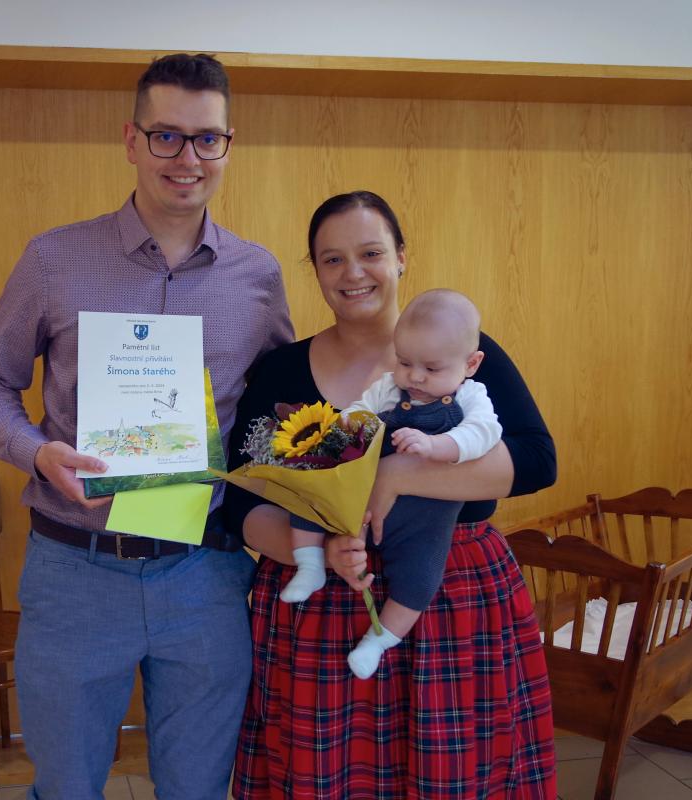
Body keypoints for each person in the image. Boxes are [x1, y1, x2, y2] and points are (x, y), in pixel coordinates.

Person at [0, 53, 294, 800]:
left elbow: (274, 414)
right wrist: (35, 452)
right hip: (76, 569)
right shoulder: (54, 258)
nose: (187, 158)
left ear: (228, 146)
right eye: (166, 136)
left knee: (197, 788)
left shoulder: (258, 275)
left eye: (207, 139)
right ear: (131, 140)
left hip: (205, 572)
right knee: (67, 787)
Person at [227, 190, 557, 799]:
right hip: (316, 607)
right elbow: (243, 498)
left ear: (401, 256)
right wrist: (315, 551)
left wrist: (399, 476)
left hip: (449, 593)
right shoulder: (280, 370)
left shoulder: (462, 354)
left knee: (450, 775)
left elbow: (537, 460)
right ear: (315, 270)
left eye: (371, 253)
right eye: (331, 259)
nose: (352, 272)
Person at [279, 289, 503, 680]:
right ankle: (310, 564)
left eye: (431, 368)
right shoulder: (388, 387)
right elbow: (359, 411)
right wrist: (342, 428)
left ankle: (379, 640)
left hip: (424, 521)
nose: (414, 377)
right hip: (362, 506)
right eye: (404, 362)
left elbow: (485, 433)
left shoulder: (471, 396)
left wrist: (437, 446)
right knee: (310, 492)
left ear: (471, 363)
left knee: (420, 579)